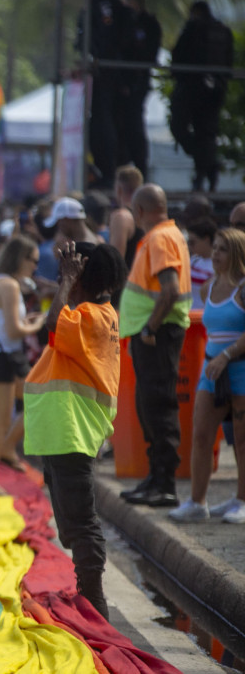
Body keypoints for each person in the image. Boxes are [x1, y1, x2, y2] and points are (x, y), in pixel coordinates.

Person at [24, 241, 127, 620]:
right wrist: (67, 282)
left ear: (81, 278)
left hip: (72, 431)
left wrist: (67, 279)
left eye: (68, 272)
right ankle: (88, 595)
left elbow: (52, 324)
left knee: (81, 522)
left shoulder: (92, 316)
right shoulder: (93, 312)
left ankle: (95, 603)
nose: (61, 277)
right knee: (71, 522)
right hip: (63, 431)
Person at [118, 184, 191, 507]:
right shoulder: (163, 235)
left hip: (157, 334)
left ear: (140, 212)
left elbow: (170, 289)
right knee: (148, 404)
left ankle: (165, 483)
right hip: (151, 334)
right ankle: (155, 478)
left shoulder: (161, 238)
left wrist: (150, 327)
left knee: (158, 405)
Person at [170, 229, 245, 525]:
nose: (215, 254)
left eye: (222, 249)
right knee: (200, 434)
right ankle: (197, 501)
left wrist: (227, 355)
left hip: (239, 368)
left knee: (242, 440)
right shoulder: (208, 287)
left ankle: (241, 500)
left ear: (237, 253)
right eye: (214, 248)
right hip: (211, 370)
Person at [0, 235, 45, 495]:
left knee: (37, 399)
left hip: (2, 357)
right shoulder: (9, 286)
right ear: (20, 259)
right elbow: (15, 331)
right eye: (33, 260)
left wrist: (30, 321)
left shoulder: (5, 283)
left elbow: (11, 327)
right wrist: (39, 323)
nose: (35, 266)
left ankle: (7, 448)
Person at [74, 0, 130, 190]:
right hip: (98, 70)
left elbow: (107, 38)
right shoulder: (93, 4)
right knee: (96, 121)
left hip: (106, 71)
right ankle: (103, 169)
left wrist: (97, 58)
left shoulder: (105, 4)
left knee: (104, 121)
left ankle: (109, 169)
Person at [170, 1, 235, 192]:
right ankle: (206, 167)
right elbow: (228, 64)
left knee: (180, 128)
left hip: (191, 90)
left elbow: (178, 56)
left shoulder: (193, 28)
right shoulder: (223, 31)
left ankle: (205, 166)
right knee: (205, 135)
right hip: (215, 91)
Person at [118, 0, 162, 176]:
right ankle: (125, 164)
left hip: (137, 81)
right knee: (122, 125)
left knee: (134, 125)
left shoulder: (149, 24)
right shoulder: (126, 22)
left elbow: (147, 53)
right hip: (123, 82)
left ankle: (138, 166)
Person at [108, 165, 144, 268]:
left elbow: (115, 261)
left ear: (119, 189)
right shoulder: (145, 216)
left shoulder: (121, 217)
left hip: (127, 282)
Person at [187, 218, 217, 312]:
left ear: (206, 240)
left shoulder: (218, 266)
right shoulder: (194, 260)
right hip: (189, 316)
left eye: (192, 242)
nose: (189, 246)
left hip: (203, 317)